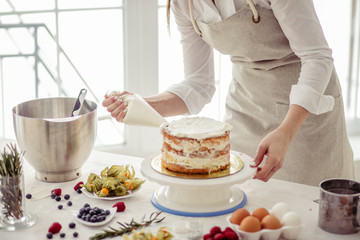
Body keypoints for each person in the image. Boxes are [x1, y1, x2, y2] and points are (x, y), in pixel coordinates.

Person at [102, 0, 355, 186]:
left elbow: (317, 57)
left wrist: (286, 131)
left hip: (303, 115)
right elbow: (199, 83)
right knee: (246, 210)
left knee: (307, 214)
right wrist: (142, 105)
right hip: (246, 108)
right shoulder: (183, 4)